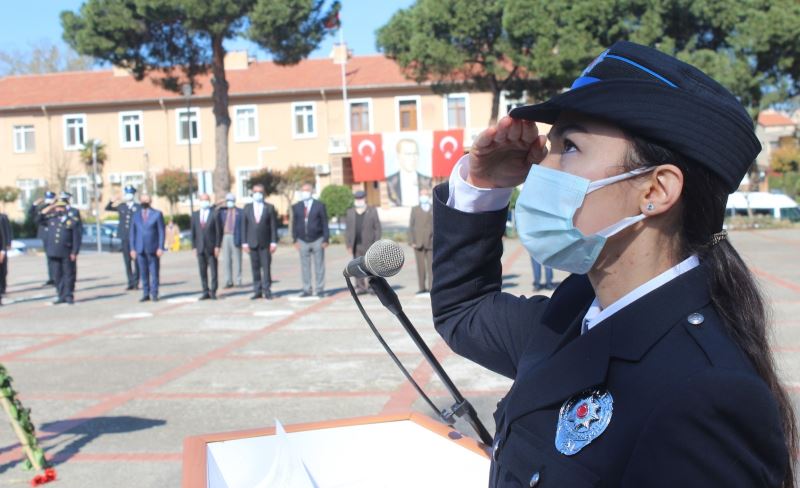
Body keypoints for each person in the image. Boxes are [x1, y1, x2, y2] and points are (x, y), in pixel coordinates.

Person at [431, 41, 795, 487]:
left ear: (655, 191)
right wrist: (483, 185)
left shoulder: (706, 393)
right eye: (549, 145)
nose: (538, 165)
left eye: (570, 146)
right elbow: (463, 312)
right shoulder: (576, 313)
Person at [38, 200, 81, 304]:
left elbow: (76, 238)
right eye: (57, 207)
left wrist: (74, 252)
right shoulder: (51, 219)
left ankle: (69, 295)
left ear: (65, 208)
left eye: (61, 207)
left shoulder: (72, 221)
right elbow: (38, 219)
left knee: (68, 274)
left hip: (67, 251)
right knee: (57, 275)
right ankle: (61, 295)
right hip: (53, 251)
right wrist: (49, 207)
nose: (59, 210)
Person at [291, 182, 329, 297]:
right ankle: (307, 289)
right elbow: (294, 224)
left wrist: (326, 239)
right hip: (302, 240)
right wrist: (295, 240)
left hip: (317, 239)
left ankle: (320, 288)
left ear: (312, 191)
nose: (305, 192)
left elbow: (324, 223)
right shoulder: (297, 206)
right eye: (303, 190)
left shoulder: (319, 205)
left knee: (319, 266)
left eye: (307, 190)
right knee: (305, 266)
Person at [241, 184, 278, 300]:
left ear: (263, 193)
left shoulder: (269, 207)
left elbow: (273, 226)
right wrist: (244, 243)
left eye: (260, 192)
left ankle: (267, 290)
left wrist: (273, 242)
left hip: (265, 243)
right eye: (255, 192)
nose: (257, 194)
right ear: (252, 193)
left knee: (266, 267)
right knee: (255, 267)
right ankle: (257, 290)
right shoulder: (247, 208)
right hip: (252, 243)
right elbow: (244, 226)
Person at [129, 194, 165, 302]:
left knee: (154, 272)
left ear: (150, 201)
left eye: (147, 200)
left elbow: (161, 232)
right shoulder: (135, 215)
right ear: (140, 201)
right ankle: (145, 293)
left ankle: (154, 293)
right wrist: (132, 248)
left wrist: (160, 247)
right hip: (139, 248)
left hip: (153, 248)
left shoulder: (157, 214)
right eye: (143, 200)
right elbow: (132, 233)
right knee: (143, 272)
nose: (145, 202)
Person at [345, 190, 381, 294]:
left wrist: (376, 243)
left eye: (361, 198)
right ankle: (360, 287)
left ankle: (372, 286)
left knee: (371, 266)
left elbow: (377, 228)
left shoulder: (372, 210)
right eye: (357, 198)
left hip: (370, 244)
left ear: (364, 198)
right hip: (356, 244)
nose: (359, 200)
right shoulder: (350, 212)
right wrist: (348, 244)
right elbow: (347, 230)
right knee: (357, 266)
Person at [105, 185, 140, 290]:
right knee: (127, 260)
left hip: (136, 237)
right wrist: (112, 201)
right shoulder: (122, 206)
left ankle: (136, 281)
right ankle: (130, 282)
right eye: (127, 193)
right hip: (124, 237)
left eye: (130, 193)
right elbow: (108, 208)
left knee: (137, 260)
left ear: (133, 195)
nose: (128, 195)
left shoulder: (138, 207)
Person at [191, 194, 221, 300]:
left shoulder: (214, 214)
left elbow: (218, 232)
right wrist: (194, 246)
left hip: (211, 247)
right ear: (199, 201)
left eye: (206, 200)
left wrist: (217, 246)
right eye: (202, 200)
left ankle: (213, 291)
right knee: (202, 271)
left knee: (213, 270)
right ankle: (205, 291)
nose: (204, 202)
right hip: (200, 247)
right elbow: (193, 232)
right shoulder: (195, 215)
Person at [408, 188, 433, 294]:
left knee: (431, 267)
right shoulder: (415, 209)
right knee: (420, 267)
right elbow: (411, 226)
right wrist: (411, 240)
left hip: (431, 242)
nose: (424, 196)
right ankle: (422, 288)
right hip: (418, 242)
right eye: (422, 194)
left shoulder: (433, 208)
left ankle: (432, 287)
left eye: (425, 194)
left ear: (429, 196)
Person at [29, 191, 55, 285]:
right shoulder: (43, 207)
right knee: (49, 257)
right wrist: (35, 204)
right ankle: (52, 277)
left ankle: (56, 277)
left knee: (56, 257)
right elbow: (32, 215)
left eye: (51, 198)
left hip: (54, 234)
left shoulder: (56, 207)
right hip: (45, 235)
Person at [217, 193, 243, 288]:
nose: (229, 202)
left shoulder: (240, 212)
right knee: (226, 260)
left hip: (236, 236)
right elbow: (212, 210)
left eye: (231, 200)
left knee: (237, 260)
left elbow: (243, 226)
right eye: (228, 200)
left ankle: (238, 280)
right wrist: (219, 203)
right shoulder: (222, 211)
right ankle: (228, 281)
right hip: (225, 236)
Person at [0, 211, 12, 298]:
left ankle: (2, 288)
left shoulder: (2, 217)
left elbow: (4, 234)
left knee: (2, 270)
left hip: (1, 250)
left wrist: (3, 250)